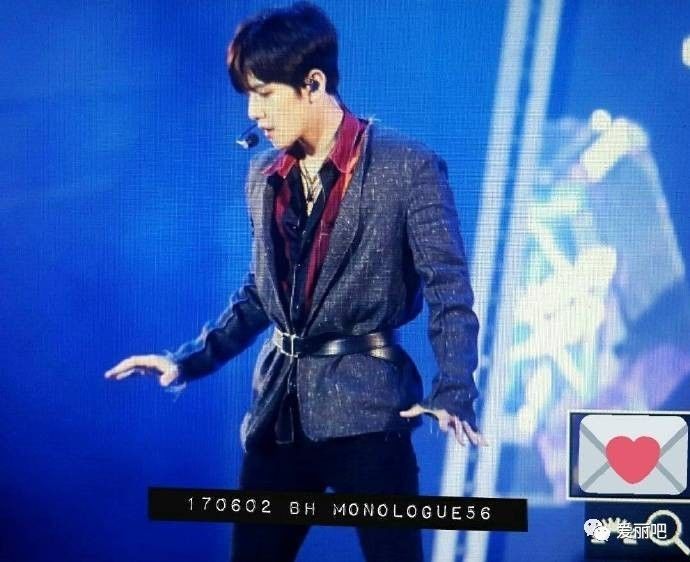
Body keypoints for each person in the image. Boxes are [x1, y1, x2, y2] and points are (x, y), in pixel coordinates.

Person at [105, 3, 486, 560]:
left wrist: (454, 389)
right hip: (279, 411)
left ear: (314, 84)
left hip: (368, 410)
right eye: (249, 95)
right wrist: (187, 361)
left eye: (265, 93)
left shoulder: (407, 166)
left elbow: (449, 291)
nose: (254, 112)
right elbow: (261, 293)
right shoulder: (264, 175)